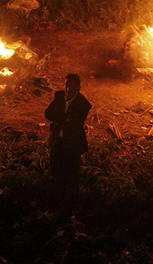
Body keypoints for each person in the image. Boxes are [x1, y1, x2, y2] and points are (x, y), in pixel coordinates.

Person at [45, 73, 92, 207]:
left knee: (72, 175)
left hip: (72, 144)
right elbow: (47, 113)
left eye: (71, 86)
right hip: (58, 141)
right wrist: (63, 119)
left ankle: (71, 206)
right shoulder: (59, 97)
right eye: (66, 85)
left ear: (78, 88)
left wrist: (59, 118)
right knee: (56, 171)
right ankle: (56, 202)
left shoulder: (83, 104)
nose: (68, 89)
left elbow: (75, 123)